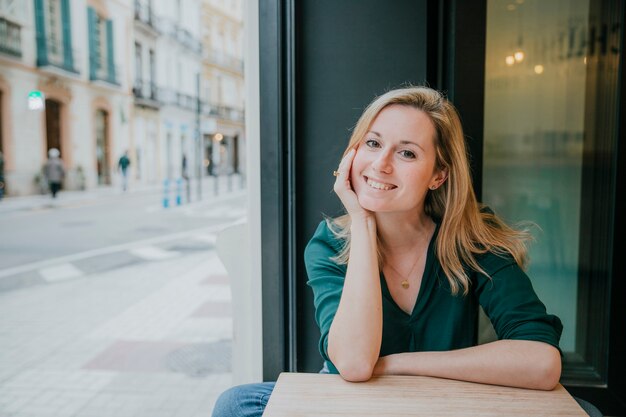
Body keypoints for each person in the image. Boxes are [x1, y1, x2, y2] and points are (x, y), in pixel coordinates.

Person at [211, 86, 563, 417]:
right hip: (353, 404)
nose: (381, 163)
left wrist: (396, 364)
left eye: (407, 152)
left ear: (438, 175)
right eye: (373, 143)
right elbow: (353, 364)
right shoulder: (330, 242)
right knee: (237, 404)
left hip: (444, 400)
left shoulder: (472, 239)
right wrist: (362, 223)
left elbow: (541, 362)